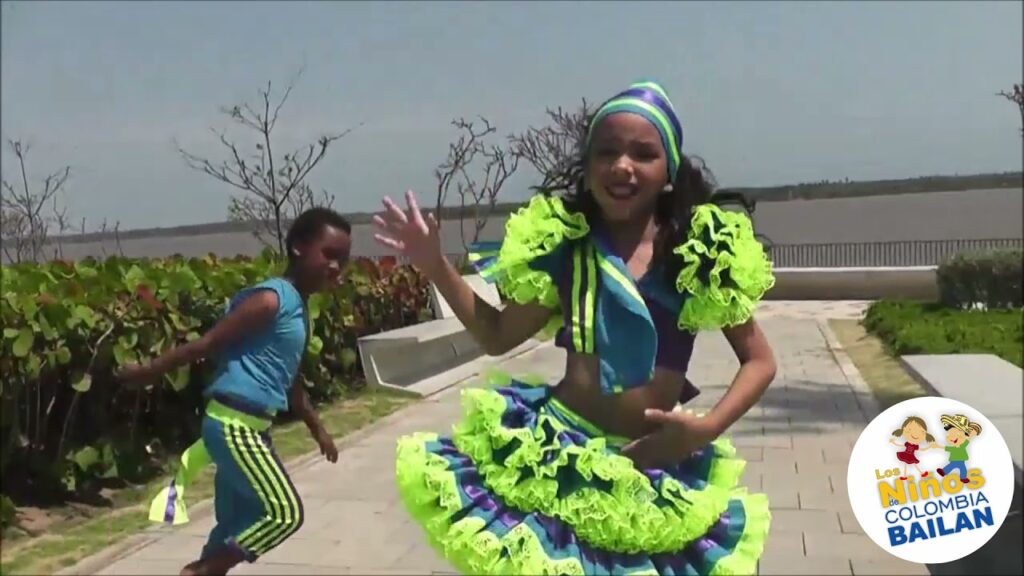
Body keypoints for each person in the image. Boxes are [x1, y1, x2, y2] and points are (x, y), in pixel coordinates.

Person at [373, 80, 777, 575]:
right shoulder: (565, 245)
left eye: (642, 153)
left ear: (668, 172)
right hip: (558, 458)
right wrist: (435, 264)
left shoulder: (698, 253)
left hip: (650, 460)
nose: (622, 166)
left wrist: (706, 428)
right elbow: (498, 335)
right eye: (606, 152)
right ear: (587, 167)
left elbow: (760, 360)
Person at [116, 207, 352, 576]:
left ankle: (208, 568)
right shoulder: (272, 299)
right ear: (299, 248)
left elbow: (289, 380)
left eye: (344, 258)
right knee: (283, 513)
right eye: (329, 254)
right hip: (232, 425)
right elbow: (205, 344)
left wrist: (317, 429)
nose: (337, 266)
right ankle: (202, 571)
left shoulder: (299, 308)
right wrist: (146, 371)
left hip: (251, 426)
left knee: (236, 521)